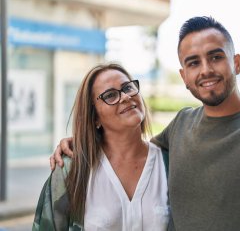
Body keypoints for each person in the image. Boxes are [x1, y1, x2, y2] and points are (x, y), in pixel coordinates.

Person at [52, 16, 240, 231]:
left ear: (236, 63)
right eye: (193, 62)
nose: (206, 70)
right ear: (184, 76)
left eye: (215, 57)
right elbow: (131, 148)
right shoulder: (181, 124)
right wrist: (78, 143)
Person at [33, 63, 170, 230]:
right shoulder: (72, 169)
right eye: (110, 95)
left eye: (128, 88)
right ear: (95, 118)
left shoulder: (169, 162)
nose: (126, 97)